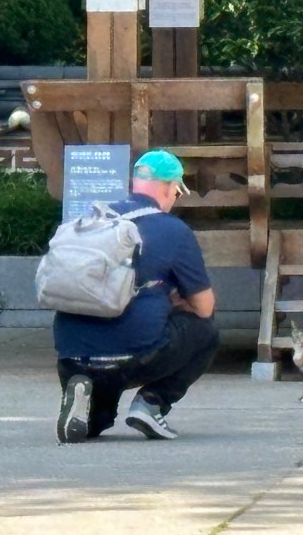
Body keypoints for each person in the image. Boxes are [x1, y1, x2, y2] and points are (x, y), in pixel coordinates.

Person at [54, 149, 219, 443]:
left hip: (72, 354)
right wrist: (173, 301)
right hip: (134, 355)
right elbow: (204, 307)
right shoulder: (173, 230)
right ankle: (151, 403)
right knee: (206, 332)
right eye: (177, 192)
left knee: (98, 422)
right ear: (170, 188)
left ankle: (84, 400)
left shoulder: (89, 219)